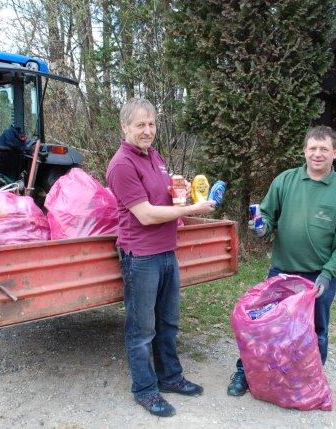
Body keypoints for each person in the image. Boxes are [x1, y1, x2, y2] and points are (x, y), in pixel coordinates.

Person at [227, 125, 336, 396]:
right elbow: (266, 215)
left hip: (318, 277)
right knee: (265, 328)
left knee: (315, 331)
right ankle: (247, 373)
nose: (317, 154)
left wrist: (328, 273)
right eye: (312, 148)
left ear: (335, 152)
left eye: (324, 149)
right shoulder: (285, 181)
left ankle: (308, 384)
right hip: (282, 272)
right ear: (304, 151)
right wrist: (262, 226)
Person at [106, 98, 216, 417]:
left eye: (151, 123)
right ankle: (145, 389)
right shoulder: (122, 165)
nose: (147, 130)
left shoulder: (154, 156)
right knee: (142, 329)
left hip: (167, 252)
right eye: (140, 124)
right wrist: (192, 209)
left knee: (168, 322)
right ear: (124, 127)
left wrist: (178, 190)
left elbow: (161, 197)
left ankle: (170, 378)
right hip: (140, 256)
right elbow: (146, 215)